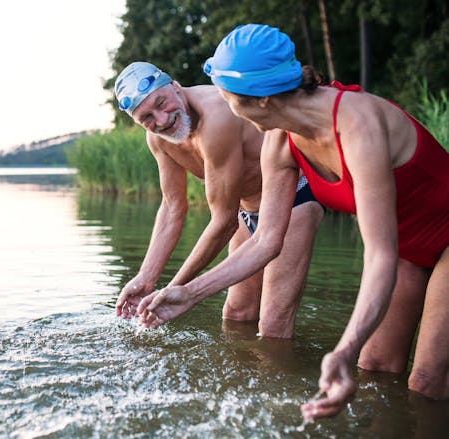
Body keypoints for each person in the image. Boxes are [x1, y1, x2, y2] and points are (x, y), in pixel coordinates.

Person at [136, 24, 449, 420]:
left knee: (425, 382)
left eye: (227, 97)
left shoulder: (357, 124)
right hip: (409, 247)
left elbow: (379, 255)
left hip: (432, 240)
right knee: (376, 370)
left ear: (259, 100)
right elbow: (266, 240)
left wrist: (342, 350)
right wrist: (190, 292)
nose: (222, 105)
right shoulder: (280, 141)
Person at [113, 61, 324, 339]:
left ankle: (280, 378)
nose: (161, 120)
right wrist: (146, 278)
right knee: (236, 315)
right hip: (246, 211)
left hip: (292, 199)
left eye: (161, 103)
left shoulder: (216, 114)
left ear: (175, 86)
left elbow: (223, 223)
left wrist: (174, 289)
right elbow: (172, 207)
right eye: (147, 119)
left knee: (273, 326)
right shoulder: (159, 139)